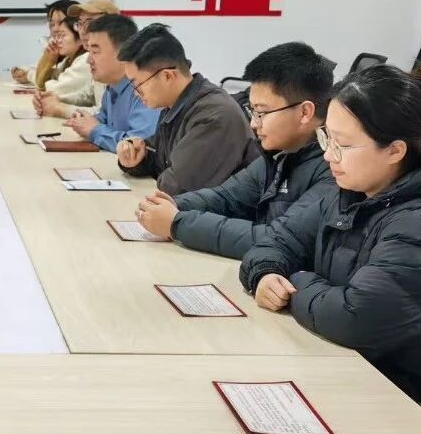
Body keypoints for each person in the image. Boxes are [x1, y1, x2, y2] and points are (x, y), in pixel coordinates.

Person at [240, 65, 421, 418]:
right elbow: (277, 241)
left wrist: (295, 280)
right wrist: (265, 272)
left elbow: (353, 319)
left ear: (394, 151)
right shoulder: (354, 190)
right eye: (326, 138)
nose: (328, 155)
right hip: (373, 372)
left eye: (343, 145)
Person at [134, 42, 335, 258]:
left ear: (305, 112)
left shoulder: (334, 168)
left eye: (262, 112)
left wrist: (177, 223)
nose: (254, 124)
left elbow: (277, 238)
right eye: (252, 111)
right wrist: (170, 205)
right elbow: (226, 197)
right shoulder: (280, 155)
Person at [117, 23, 259, 195]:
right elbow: (160, 160)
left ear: (168, 76)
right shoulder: (176, 106)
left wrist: (160, 171)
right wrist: (136, 158)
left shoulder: (214, 116)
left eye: (137, 85)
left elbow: (178, 186)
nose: (136, 93)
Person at [59, 14, 159, 150]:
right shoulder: (112, 86)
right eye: (88, 51)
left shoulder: (144, 88)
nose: (89, 60)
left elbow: (140, 145)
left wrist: (94, 130)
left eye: (95, 52)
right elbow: (104, 121)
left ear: (122, 53)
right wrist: (84, 122)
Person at [12, 0, 77, 88]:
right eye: (52, 24)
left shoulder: (83, 59)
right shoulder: (56, 49)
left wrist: (29, 75)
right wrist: (25, 72)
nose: (55, 29)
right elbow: (44, 73)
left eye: (61, 23)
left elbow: (54, 85)